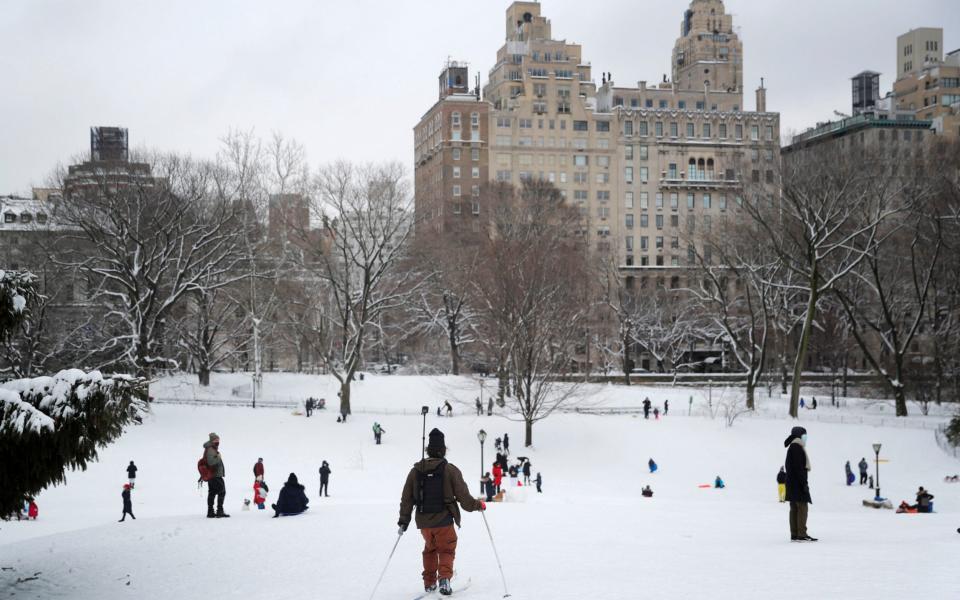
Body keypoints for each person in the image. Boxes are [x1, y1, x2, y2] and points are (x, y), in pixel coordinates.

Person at [398, 428, 485, 596]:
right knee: (446, 549)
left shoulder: (416, 471)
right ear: (443, 450)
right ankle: (444, 579)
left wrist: (403, 520)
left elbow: (406, 498)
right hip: (444, 520)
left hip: (424, 522)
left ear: (428, 449)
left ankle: (429, 583)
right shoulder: (450, 469)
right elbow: (463, 497)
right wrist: (478, 505)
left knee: (430, 549)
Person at [784, 426, 815, 541]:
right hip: (797, 484)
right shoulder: (797, 447)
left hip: (792, 484)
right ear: (799, 436)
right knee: (802, 508)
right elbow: (799, 468)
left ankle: (795, 533)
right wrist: (804, 484)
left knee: (794, 508)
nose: (805, 438)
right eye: (804, 435)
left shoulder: (792, 447)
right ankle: (801, 533)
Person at [204, 432, 229, 518]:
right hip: (215, 475)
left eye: (218, 439)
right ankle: (219, 511)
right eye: (216, 440)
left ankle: (210, 512)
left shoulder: (211, 448)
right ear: (212, 440)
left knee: (212, 492)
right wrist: (218, 457)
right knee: (222, 491)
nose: (218, 441)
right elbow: (211, 462)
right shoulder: (211, 449)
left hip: (212, 475)